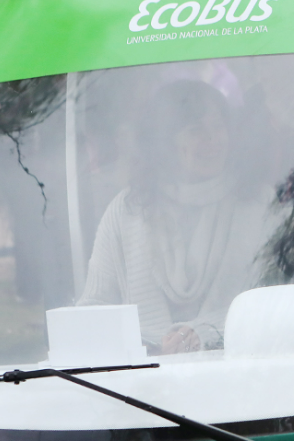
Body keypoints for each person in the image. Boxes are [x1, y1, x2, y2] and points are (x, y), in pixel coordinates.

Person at [79, 79, 258, 354]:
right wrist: (143, 345)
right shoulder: (127, 209)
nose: (213, 140)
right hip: (145, 380)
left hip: (239, 368)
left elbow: (270, 301)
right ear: (165, 142)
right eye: (196, 130)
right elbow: (94, 308)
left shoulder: (257, 202)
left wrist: (206, 332)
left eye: (218, 127)